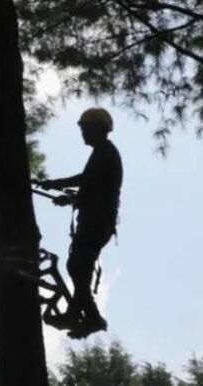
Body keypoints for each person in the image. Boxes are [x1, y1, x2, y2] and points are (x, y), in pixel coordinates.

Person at [35, 107, 123, 338]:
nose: (83, 134)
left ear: (98, 129)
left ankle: (90, 317)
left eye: (85, 129)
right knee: (79, 268)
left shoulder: (105, 152)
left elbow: (87, 181)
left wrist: (56, 184)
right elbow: (93, 188)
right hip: (96, 221)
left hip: (97, 222)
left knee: (76, 266)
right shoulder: (102, 153)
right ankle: (77, 314)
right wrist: (70, 198)